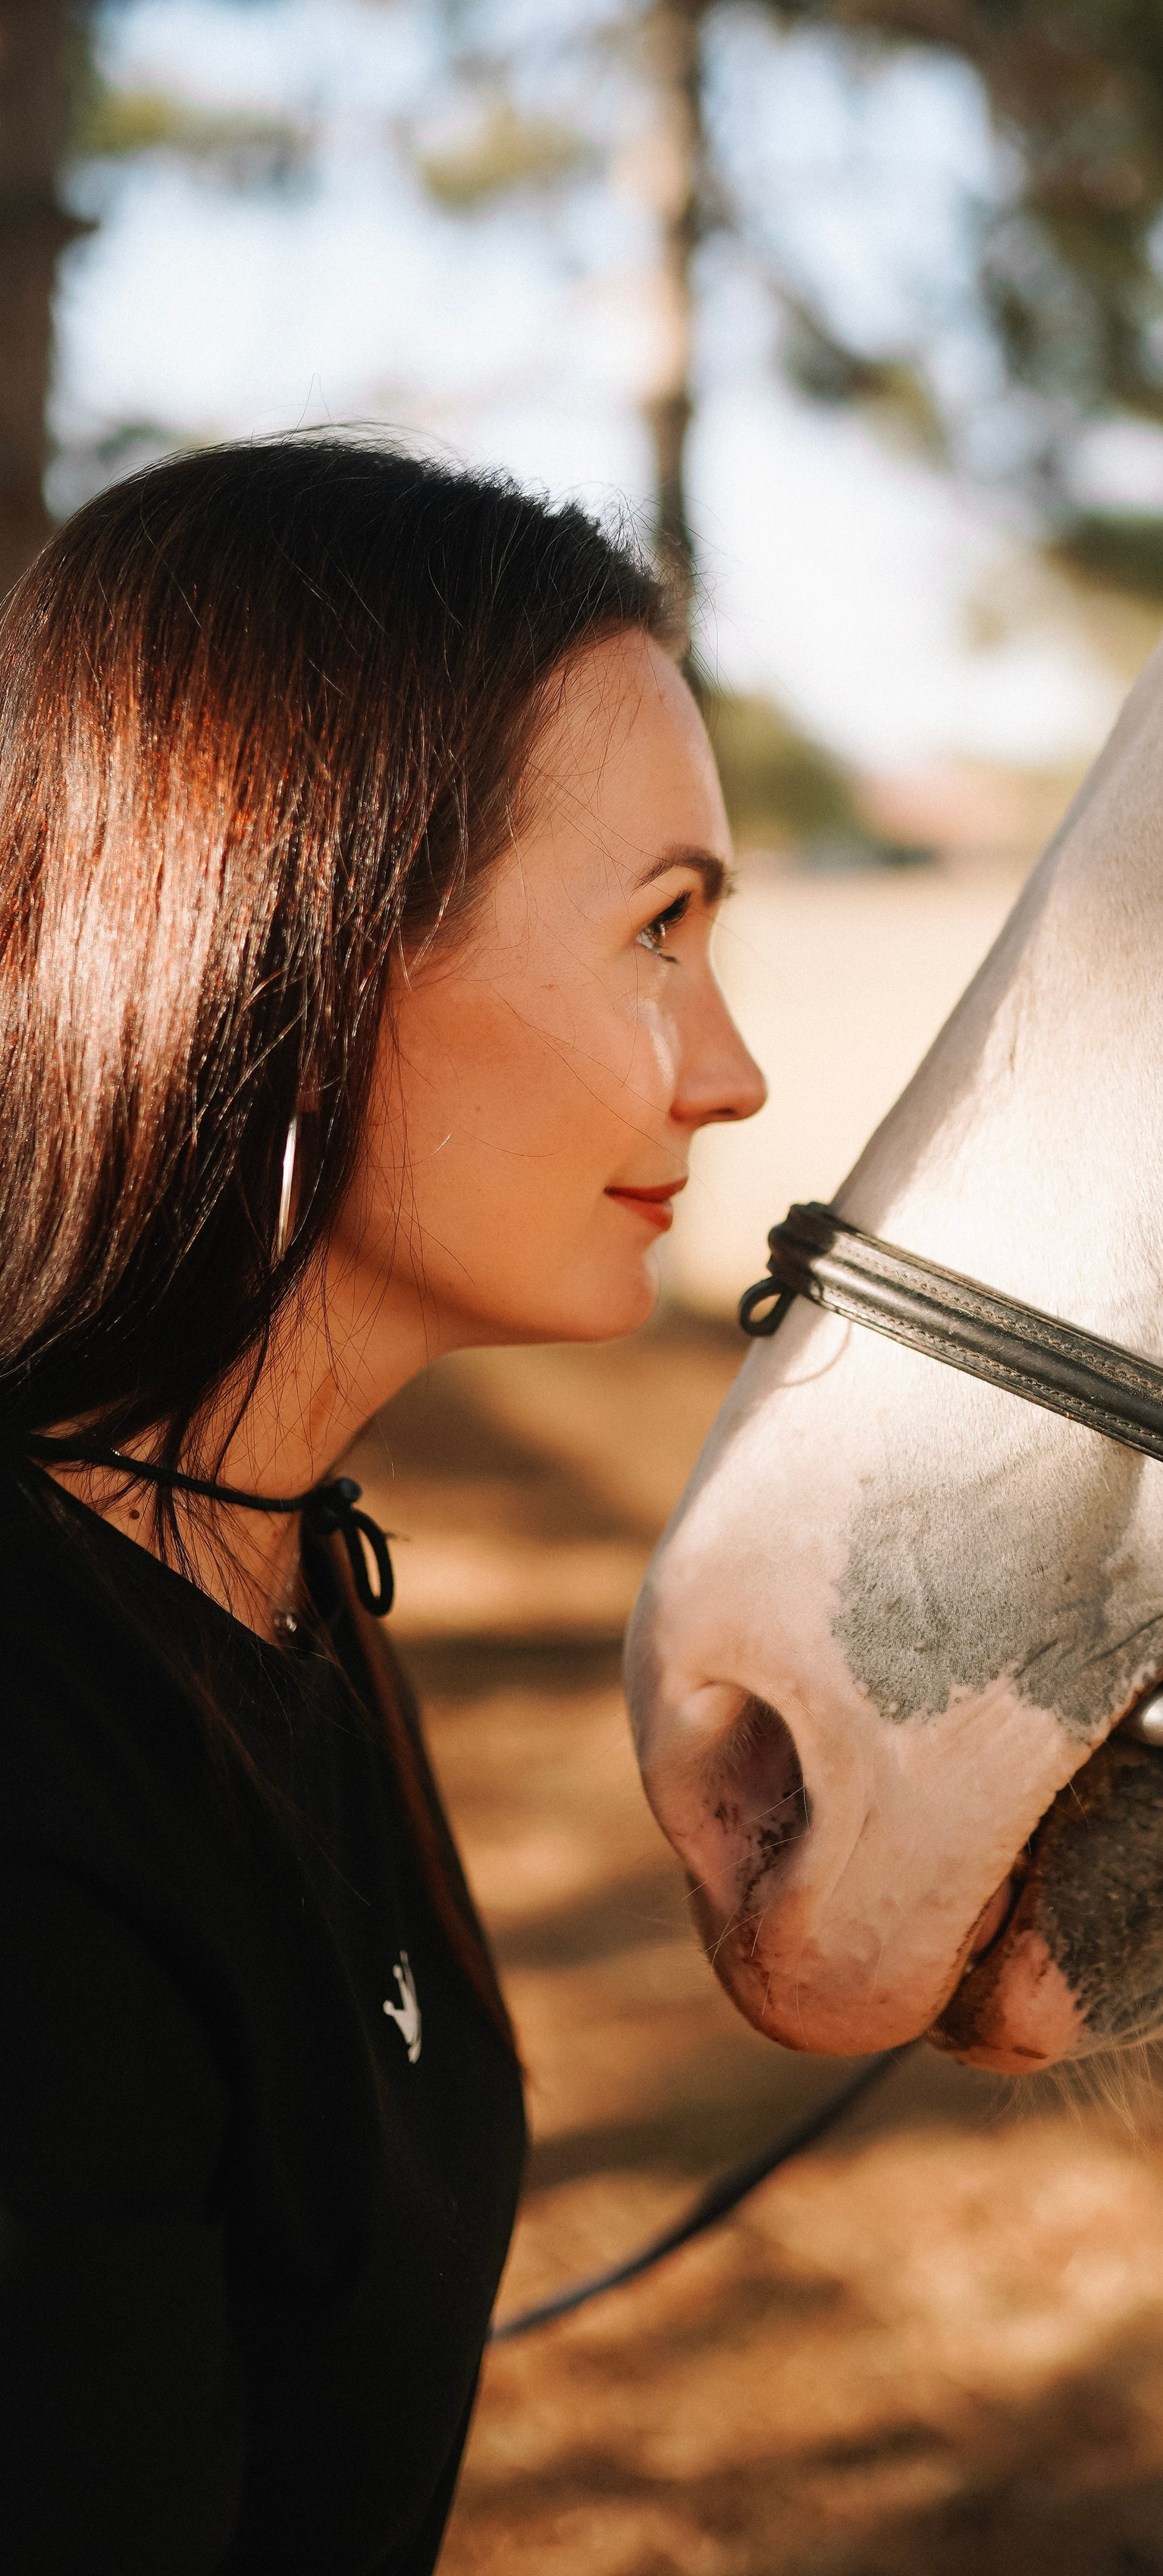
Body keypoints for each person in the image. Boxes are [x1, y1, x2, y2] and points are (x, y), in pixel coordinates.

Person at [0, 438, 766, 2573]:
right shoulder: (35, 1786)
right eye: (660, 933)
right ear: (308, 935)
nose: (729, 1069)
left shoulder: (265, 1572)